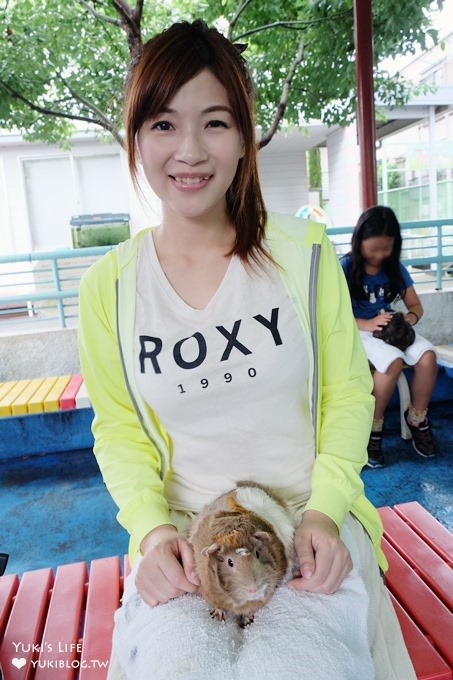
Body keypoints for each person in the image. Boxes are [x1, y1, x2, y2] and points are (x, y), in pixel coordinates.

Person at [78, 20, 416, 680]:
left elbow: (346, 396)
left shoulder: (303, 257)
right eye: (163, 125)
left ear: (243, 137)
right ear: (136, 138)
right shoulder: (110, 288)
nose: (190, 150)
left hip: (304, 521)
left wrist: (323, 511)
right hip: (183, 536)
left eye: (214, 123)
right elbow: (118, 430)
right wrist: (150, 533)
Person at [341, 205, 437, 469]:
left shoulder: (395, 268)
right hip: (360, 331)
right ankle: (373, 429)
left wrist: (408, 320)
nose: (380, 255)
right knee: (392, 362)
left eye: (387, 249)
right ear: (359, 241)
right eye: (373, 249)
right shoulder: (345, 268)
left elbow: (416, 306)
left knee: (428, 357)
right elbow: (332, 314)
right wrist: (368, 323)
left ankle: (417, 418)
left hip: (393, 329)